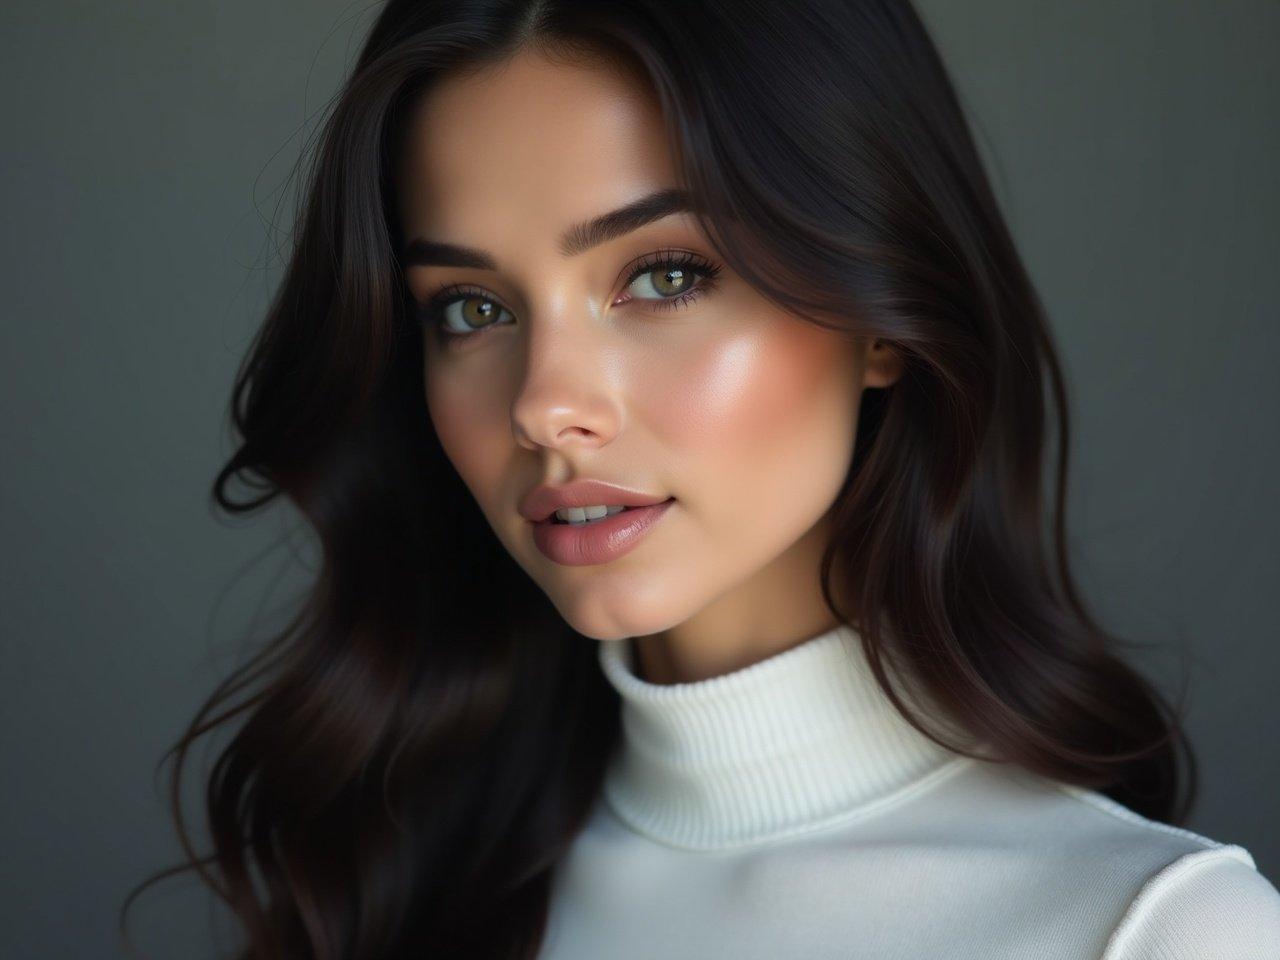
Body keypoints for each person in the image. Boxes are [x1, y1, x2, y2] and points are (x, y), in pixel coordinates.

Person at [122, 2, 1280, 958]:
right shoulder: (391, 878)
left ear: (880, 316)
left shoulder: (1153, 932)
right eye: (470, 309)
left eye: (664, 275)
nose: (542, 404)